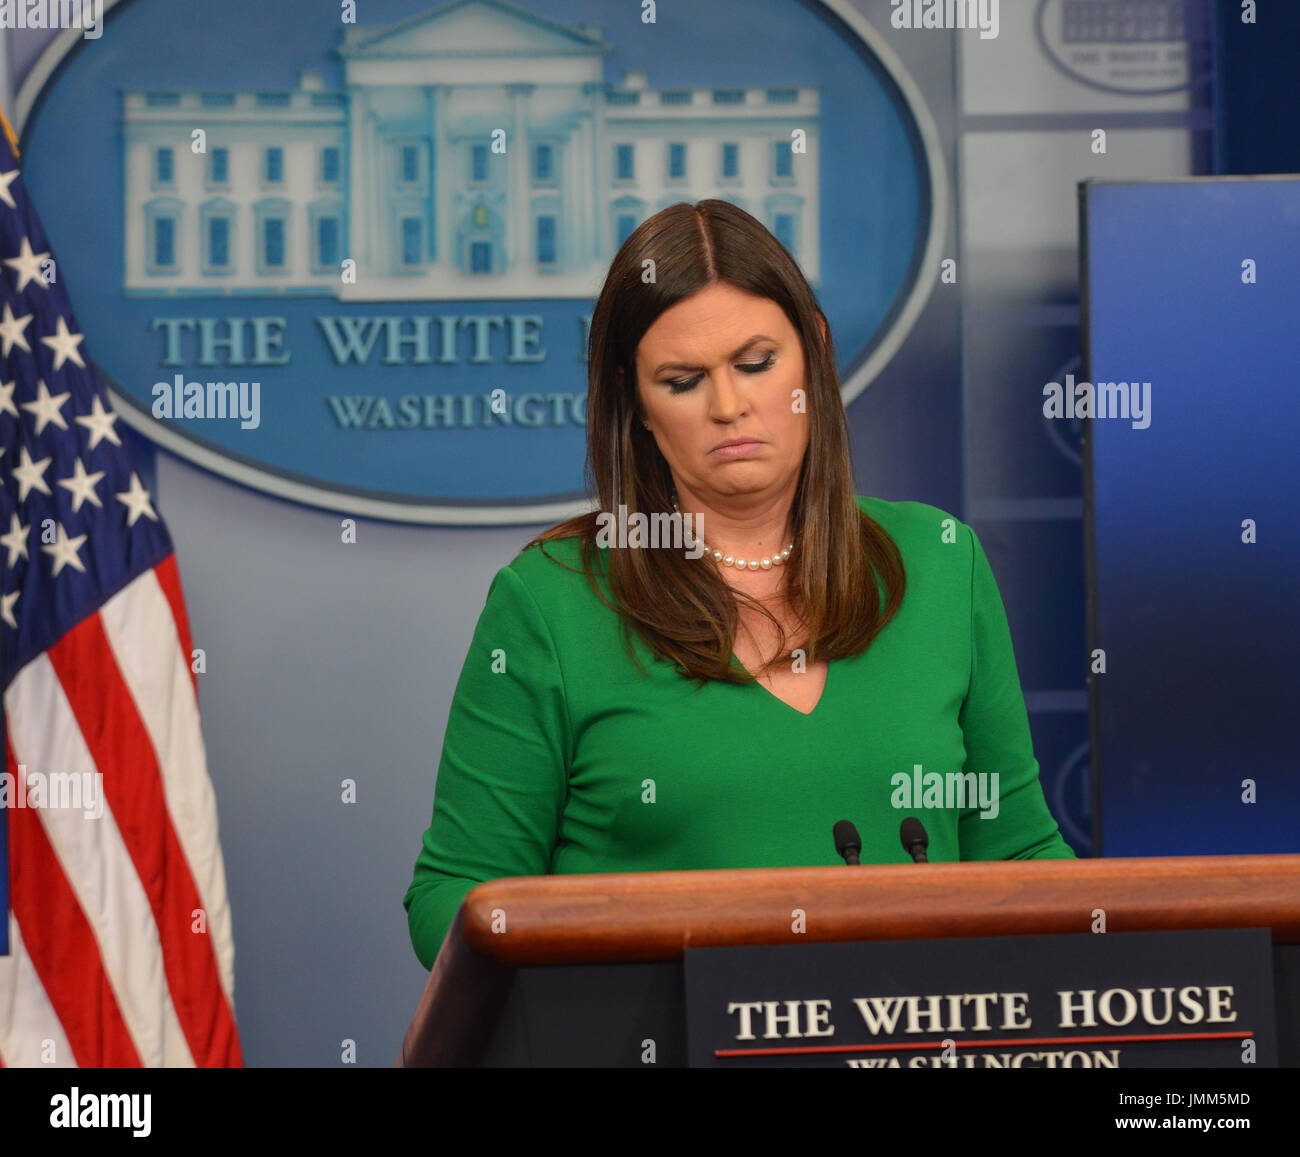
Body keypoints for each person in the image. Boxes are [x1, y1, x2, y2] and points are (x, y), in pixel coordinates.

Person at [403, 200, 1074, 970]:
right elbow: (453, 897)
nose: (729, 406)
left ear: (814, 352)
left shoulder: (940, 560)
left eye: (756, 364)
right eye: (684, 380)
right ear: (638, 406)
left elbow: (1019, 854)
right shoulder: (550, 602)